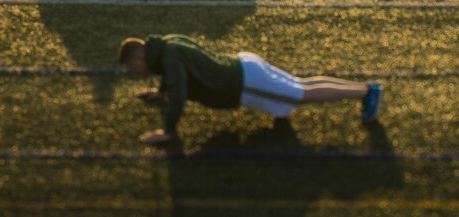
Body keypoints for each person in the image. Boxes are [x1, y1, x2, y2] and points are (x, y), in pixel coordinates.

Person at [117, 34, 382, 145]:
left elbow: (180, 92)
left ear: (139, 58)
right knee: (301, 86)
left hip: (245, 82)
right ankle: (365, 90)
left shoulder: (168, 59)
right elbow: (173, 74)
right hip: (244, 63)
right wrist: (159, 92)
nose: (137, 73)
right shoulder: (166, 44)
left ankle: (366, 92)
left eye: (134, 68)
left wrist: (168, 131)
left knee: (302, 95)